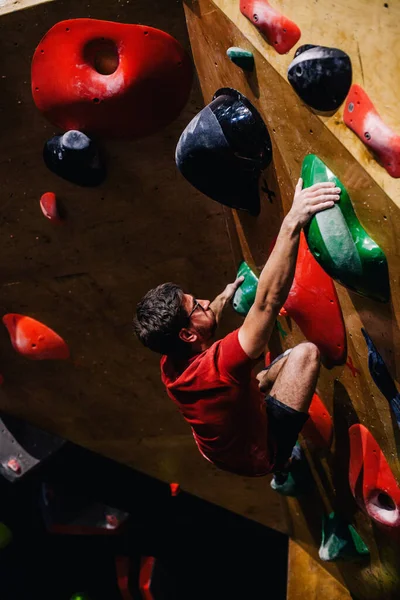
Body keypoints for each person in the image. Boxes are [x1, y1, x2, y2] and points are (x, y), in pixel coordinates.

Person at [133, 178, 340, 478]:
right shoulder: (217, 369)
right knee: (305, 354)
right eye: (197, 306)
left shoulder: (170, 359)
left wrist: (222, 298)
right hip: (256, 455)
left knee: (254, 378)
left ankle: (258, 393)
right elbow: (267, 301)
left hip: (220, 444)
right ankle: (283, 465)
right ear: (187, 334)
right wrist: (293, 220)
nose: (205, 301)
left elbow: (208, 318)